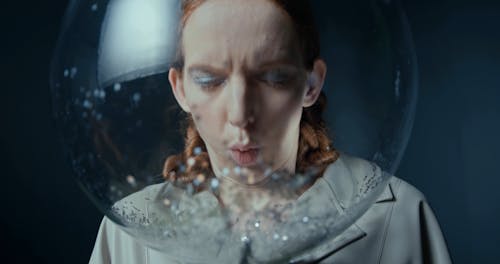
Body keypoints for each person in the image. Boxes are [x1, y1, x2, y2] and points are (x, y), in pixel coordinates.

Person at [90, 0, 452, 263]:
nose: (241, 114)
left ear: (311, 83)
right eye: (210, 80)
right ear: (181, 89)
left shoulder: (396, 213)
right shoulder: (130, 228)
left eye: (273, 77)